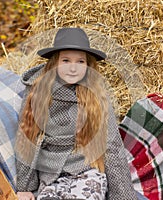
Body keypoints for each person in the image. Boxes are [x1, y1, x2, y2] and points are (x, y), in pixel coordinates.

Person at [15, 27, 139, 200]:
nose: (73, 68)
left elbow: (111, 144)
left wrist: (122, 196)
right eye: (66, 60)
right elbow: (27, 138)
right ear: (54, 63)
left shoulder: (96, 93)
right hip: (51, 176)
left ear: (88, 65)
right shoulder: (38, 92)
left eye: (80, 62)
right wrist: (24, 187)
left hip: (86, 170)